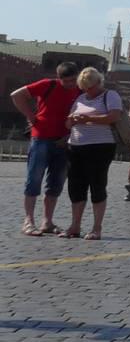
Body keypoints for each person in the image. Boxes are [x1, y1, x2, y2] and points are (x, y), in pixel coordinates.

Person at [11, 60, 80, 236]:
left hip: (64, 141)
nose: (71, 84)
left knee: (56, 182)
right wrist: (31, 116)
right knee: (34, 179)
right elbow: (17, 95)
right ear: (59, 78)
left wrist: (69, 135)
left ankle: (47, 222)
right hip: (41, 138)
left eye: (74, 80)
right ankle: (29, 221)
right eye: (67, 81)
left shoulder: (79, 90)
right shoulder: (47, 85)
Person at [61, 67, 123, 240]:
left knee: (97, 185)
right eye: (84, 87)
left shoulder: (110, 96)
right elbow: (67, 124)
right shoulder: (80, 98)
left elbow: (114, 117)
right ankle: (75, 225)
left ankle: (97, 228)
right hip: (76, 146)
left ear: (98, 82)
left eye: (90, 86)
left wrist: (88, 119)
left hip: (100, 147)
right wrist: (71, 120)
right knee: (76, 186)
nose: (87, 90)